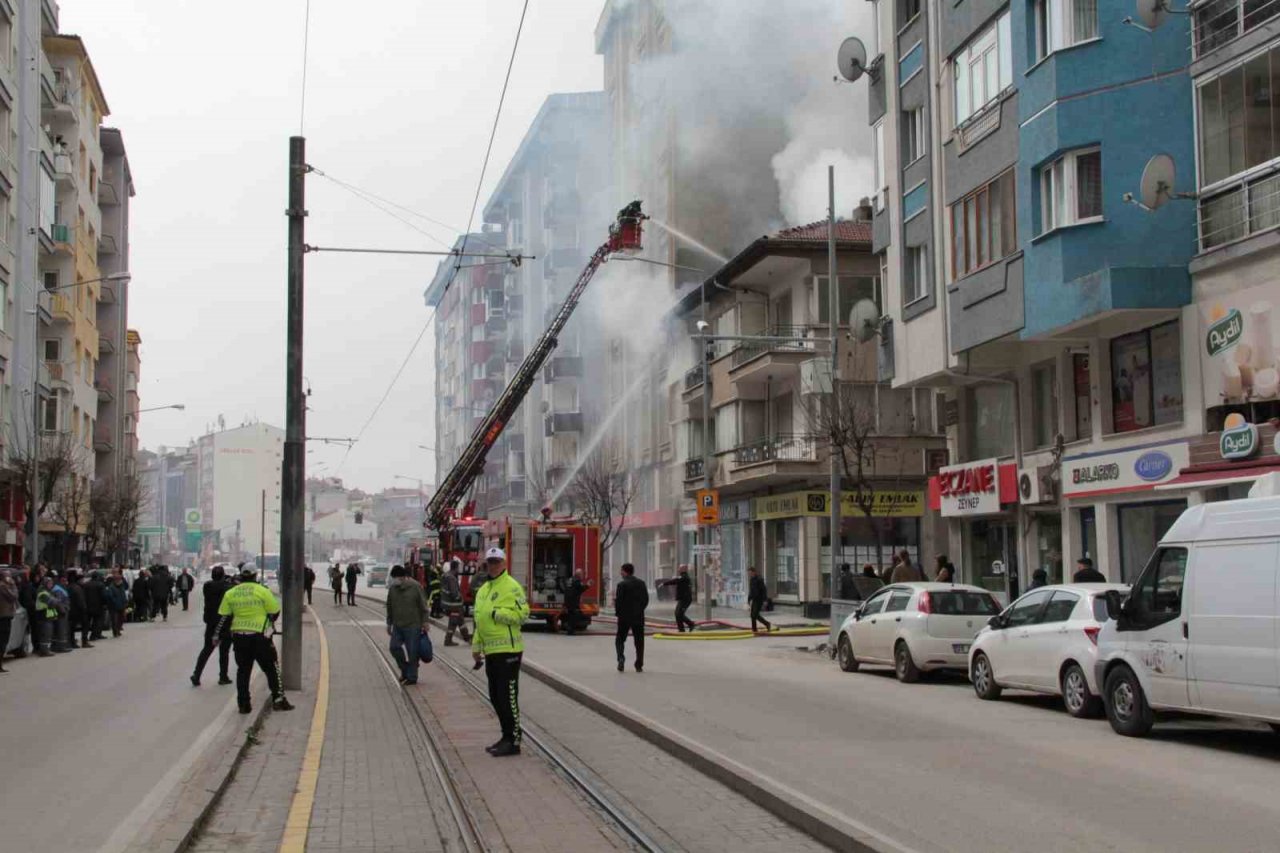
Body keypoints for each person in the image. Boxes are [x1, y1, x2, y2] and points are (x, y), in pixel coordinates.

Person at [471, 547, 529, 757]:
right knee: (495, 697)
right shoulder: (484, 589)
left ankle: (513, 741)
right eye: (490, 562)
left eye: (497, 562)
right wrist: (476, 647)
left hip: (509, 651)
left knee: (508, 697)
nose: (493, 565)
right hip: (492, 652)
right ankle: (506, 736)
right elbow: (479, 620)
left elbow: (523, 614)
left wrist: (499, 613)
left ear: (504, 563)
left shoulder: (511, 587)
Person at [214, 565, 293, 714]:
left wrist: (216, 635)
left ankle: (244, 704)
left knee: (243, 671)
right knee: (272, 668)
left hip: (239, 637)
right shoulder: (262, 591)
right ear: (255, 576)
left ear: (241, 576)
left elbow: (223, 616)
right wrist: (268, 622)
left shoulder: (231, 593)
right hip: (260, 637)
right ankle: (278, 699)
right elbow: (274, 611)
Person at [385, 565, 431, 685]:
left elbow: (424, 606)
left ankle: (412, 677)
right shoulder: (393, 589)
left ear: (402, 577)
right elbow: (389, 606)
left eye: (395, 578)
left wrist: (425, 621)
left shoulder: (415, 587)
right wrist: (389, 623)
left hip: (413, 625)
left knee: (412, 652)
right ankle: (405, 669)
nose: (393, 581)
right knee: (394, 647)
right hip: (398, 625)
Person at [192, 565, 235, 687]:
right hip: (224, 622)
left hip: (211, 622)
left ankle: (197, 674)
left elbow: (218, 584)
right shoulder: (228, 588)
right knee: (224, 651)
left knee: (206, 649)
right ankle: (223, 676)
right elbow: (229, 586)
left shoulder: (207, 586)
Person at [614, 563, 648, 671]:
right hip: (638, 617)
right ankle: (639, 665)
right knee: (639, 641)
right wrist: (639, 610)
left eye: (621, 571)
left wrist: (618, 614)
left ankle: (621, 659)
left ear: (625, 571)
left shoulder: (621, 585)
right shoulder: (641, 583)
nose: (620, 573)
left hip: (624, 617)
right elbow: (645, 600)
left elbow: (618, 602)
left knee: (620, 639)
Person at [656, 565, 695, 633]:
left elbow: (675, 581)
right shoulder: (682, 576)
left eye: (680, 568)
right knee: (677, 614)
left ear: (684, 569)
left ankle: (690, 625)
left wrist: (664, 584)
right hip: (683, 599)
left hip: (685, 599)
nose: (678, 569)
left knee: (679, 614)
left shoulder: (685, 577)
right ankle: (682, 629)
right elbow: (676, 580)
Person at [441, 561, 471, 647]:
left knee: (460, 620)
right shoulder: (452, 578)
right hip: (454, 605)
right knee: (454, 621)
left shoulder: (445, 576)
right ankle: (448, 640)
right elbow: (454, 593)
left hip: (447, 603)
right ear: (456, 568)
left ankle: (467, 638)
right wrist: (460, 598)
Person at [67, 570, 92, 649]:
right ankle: (84, 641)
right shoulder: (77, 588)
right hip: (79, 611)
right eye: (82, 580)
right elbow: (80, 601)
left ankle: (72, 642)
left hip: (71, 610)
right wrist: (84, 609)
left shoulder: (69, 587)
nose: (84, 581)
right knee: (85, 625)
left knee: (72, 627)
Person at [34, 576, 58, 656]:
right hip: (43, 615)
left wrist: (55, 600)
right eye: (49, 583)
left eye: (52, 583)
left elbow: (55, 601)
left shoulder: (48, 592)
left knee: (48, 633)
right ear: (45, 584)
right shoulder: (42, 592)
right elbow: (52, 602)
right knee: (45, 634)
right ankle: (44, 651)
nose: (51, 585)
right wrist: (55, 600)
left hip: (47, 615)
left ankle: (46, 650)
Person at [560, 569, 589, 635]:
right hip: (573, 602)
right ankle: (570, 630)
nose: (582, 576)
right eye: (582, 574)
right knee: (574, 616)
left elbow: (567, 589)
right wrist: (588, 585)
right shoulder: (577, 581)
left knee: (570, 616)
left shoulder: (570, 580)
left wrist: (565, 603)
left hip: (568, 601)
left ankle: (569, 629)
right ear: (578, 575)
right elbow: (581, 589)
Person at [747, 566, 773, 633]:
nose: (749, 574)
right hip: (754, 599)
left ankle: (767, 624)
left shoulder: (759, 579)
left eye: (750, 573)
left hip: (759, 599)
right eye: (748, 573)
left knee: (755, 614)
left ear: (754, 572)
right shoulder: (751, 580)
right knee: (752, 615)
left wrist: (765, 600)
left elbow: (764, 590)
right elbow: (751, 591)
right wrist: (749, 599)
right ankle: (754, 629)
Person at [0, 572, 18, 671]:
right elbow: (14, 597)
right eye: (9, 576)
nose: (10, 578)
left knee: (3, 641)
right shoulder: (3, 587)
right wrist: (13, 585)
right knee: (3, 641)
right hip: (3, 617)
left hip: (4, 616)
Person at [84, 571, 107, 641]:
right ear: (98, 577)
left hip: (88, 606)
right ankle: (94, 635)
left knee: (87, 622)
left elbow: (84, 595)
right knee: (97, 621)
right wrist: (105, 604)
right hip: (98, 606)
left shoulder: (86, 584)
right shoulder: (101, 585)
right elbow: (104, 596)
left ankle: (85, 636)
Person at [105, 570, 128, 637]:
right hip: (114, 606)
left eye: (120, 579)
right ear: (115, 580)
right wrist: (115, 602)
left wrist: (125, 601)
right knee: (114, 620)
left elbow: (126, 588)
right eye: (118, 579)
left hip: (122, 605)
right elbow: (110, 596)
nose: (120, 581)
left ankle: (118, 630)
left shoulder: (122, 586)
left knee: (121, 619)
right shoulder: (111, 587)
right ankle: (115, 632)